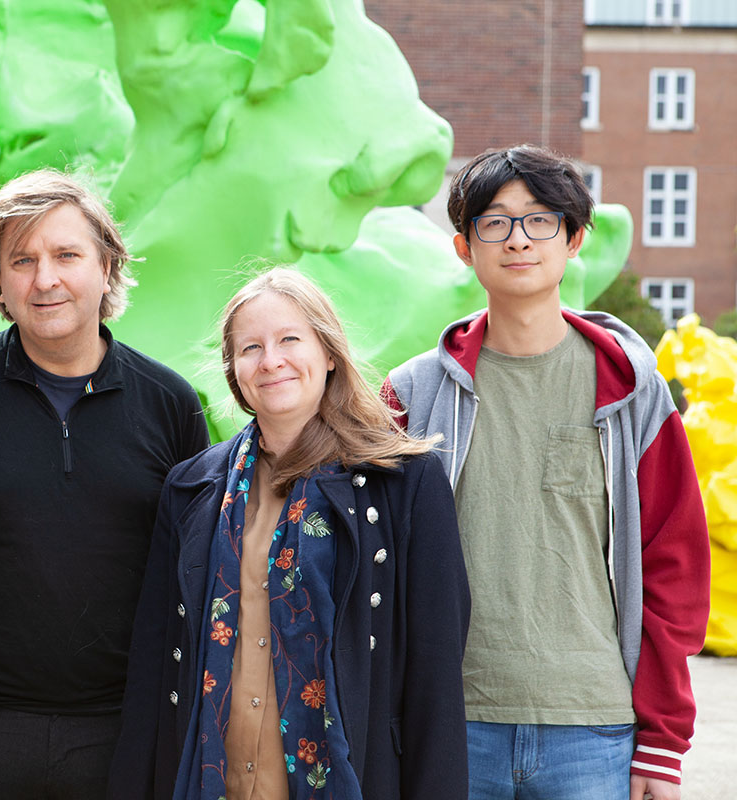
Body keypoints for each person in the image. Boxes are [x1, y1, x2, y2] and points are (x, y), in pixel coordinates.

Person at [382, 144, 711, 800]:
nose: (518, 239)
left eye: (540, 220)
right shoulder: (412, 396)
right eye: (494, 222)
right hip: (453, 722)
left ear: (574, 239)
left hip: (592, 730)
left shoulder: (631, 394)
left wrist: (663, 743)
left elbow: (674, 570)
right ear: (463, 248)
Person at [109, 267, 471, 800]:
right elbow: (151, 671)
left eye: (289, 340)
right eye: (250, 347)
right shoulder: (192, 488)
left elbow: (436, 682)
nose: (271, 360)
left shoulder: (405, 484)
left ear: (328, 353)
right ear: (235, 372)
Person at [0, 169, 211, 798]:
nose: (45, 279)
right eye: (22, 260)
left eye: (66, 255)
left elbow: (198, 574)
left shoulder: (170, 404)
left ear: (107, 267)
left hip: (124, 729)